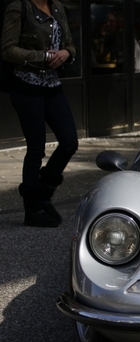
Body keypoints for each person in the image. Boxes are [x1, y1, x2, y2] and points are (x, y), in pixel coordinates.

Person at [1, 0, 78, 227]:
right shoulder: (19, 7)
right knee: (36, 148)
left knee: (69, 142)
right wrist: (43, 56)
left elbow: (70, 44)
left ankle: (43, 194)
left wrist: (66, 53)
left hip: (52, 86)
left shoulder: (57, 7)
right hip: (26, 86)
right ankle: (32, 210)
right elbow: (7, 49)